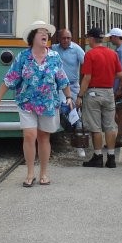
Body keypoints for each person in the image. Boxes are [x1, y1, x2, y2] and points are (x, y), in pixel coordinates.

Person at [0, 20, 72, 187]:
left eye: (46, 33)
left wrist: (69, 97)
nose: (45, 35)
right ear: (32, 37)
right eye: (41, 32)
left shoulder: (54, 57)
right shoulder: (23, 57)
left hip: (48, 103)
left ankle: (43, 173)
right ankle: (29, 173)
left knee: (44, 137)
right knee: (29, 135)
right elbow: (10, 78)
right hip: (26, 102)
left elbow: (62, 78)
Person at [77, 26, 122, 168]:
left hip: (93, 93)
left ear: (91, 38)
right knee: (110, 126)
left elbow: (87, 78)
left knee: (95, 127)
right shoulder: (112, 54)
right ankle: (111, 157)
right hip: (109, 92)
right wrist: (108, 76)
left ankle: (98, 156)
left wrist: (80, 95)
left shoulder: (90, 54)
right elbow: (120, 75)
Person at [52, 28, 86, 157]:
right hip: (59, 87)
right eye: (63, 38)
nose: (66, 40)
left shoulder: (76, 49)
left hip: (73, 86)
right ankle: (66, 132)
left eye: (68, 38)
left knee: (76, 114)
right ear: (59, 39)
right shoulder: (54, 49)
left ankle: (79, 144)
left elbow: (86, 64)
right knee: (62, 109)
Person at [108, 27, 122, 145]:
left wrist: (119, 88)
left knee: (118, 111)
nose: (110, 39)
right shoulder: (121, 49)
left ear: (116, 37)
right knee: (116, 111)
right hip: (117, 86)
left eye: (111, 37)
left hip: (118, 87)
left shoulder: (121, 51)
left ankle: (119, 137)